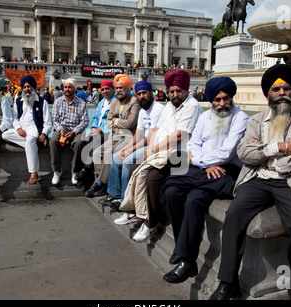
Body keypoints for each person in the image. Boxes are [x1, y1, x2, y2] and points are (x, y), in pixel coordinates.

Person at [210, 64, 291, 300]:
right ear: (267, 95)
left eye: (286, 88)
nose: (281, 93)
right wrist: (279, 148)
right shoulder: (258, 120)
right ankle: (227, 282)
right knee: (234, 214)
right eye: (275, 89)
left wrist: (270, 160)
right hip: (258, 180)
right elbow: (244, 153)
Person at [160, 77, 249, 284]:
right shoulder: (205, 117)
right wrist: (205, 164)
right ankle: (185, 251)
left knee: (180, 188)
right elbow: (194, 146)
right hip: (204, 169)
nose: (221, 103)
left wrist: (203, 162)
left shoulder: (241, 118)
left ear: (231, 97)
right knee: (173, 193)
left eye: (225, 98)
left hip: (226, 171)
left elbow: (227, 152)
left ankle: (185, 258)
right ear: (210, 100)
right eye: (216, 99)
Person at [119, 69, 203, 242]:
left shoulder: (192, 106)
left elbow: (180, 135)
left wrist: (154, 149)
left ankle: (151, 224)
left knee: (152, 178)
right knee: (134, 167)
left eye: (178, 91)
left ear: (186, 90)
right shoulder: (169, 107)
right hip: (162, 152)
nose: (174, 94)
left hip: (181, 155)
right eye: (171, 91)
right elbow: (156, 129)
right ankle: (136, 213)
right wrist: (150, 148)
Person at [99, 80, 165, 213]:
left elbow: (150, 138)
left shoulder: (158, 109)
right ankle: (114, 194)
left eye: (144, 93)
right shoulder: (142, 111)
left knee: (127, 161)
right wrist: (127, 147)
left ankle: (125, 201)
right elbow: (139, 134)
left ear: (151, 93)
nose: (141, 96)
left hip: (155, 146)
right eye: (139, 93)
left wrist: (131, 149)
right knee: (117, 156)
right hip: (144, 143)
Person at [85, 74, 140, 198]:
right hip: (114, 135)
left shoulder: (134, 101)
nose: (118, 90)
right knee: (97, 153)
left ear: (127, 88)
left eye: (121, 87)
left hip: (128, 137)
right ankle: (97, 182)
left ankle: (102, 184)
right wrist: (120, 121)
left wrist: (115, 120)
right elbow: (108, 122)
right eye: (117, 88)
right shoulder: (114, 101)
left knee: (109, 154)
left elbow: (131, 123)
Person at [2, 75, 52, 185]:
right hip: (22, 130)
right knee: (5, 135)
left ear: (33, 87)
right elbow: (14, 118)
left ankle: (34, 173)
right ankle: (34, 145)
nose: (26, 89)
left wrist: (44, 134)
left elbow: (48, 122)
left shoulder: (42, 102)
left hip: (34, 129)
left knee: (30, 140)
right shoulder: (18, 101)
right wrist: (18, 128)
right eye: (24, 87)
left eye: (28, 87)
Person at [75, 80, 115, 187]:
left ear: (112, 89)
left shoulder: (116, 102)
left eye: (107, 89)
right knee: (83, 139)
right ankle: (85, 173)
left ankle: (86, 169)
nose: (105, 91)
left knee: (94, 140)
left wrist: (101, 130)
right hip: (98, 130)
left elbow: (114, 121)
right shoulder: (102, 102)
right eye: (103, 89)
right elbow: (96, 117)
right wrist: (93, 127)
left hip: (108, 132)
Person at [50, 78, 89, 186]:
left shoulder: (81, 103)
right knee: (53, 141)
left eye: (70, 87)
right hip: (62, 128)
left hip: (76, 129)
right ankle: (56, 170)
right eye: (66, 87)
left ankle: (75, 170)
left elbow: (85, 122)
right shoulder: (58, 102)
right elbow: (54, 119)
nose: (67, 89)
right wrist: (61, 130)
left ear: (74, 89)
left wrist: (74, 131)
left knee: (79, 143)